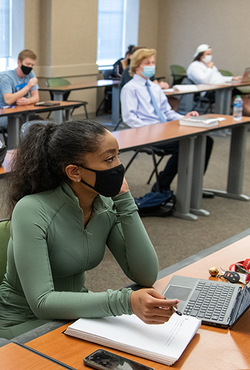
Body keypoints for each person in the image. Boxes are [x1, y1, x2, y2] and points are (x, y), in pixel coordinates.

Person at [0, 119, 179, 339]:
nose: (118, 167)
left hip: (75, 314)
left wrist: (125, 202)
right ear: (74, 172)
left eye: (118, 156)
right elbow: (42, 302)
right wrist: (126, 301)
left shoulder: (105, 204)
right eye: (109, 159)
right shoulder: (32, 209)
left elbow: (145, 274)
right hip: (23, 323)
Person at [121, 48, 213, 193]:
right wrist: (151, 129)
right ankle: (161, 186)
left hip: (164, 130)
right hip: (146, 134)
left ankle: (194, 185)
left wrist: (184, 117)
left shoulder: (155, 88)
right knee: (184, 144)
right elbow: (129, 118)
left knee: (206, 140)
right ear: (137, 66)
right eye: (147, 63)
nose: (151, 66)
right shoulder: (130, 88)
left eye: (153, 62)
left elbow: (167, 112)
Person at [187, 44, 250, 116]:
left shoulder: (210, 65)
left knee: (243, 97)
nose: (209, 56)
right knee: (239, 100)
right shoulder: (194, 66)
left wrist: (232, 78)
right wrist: (209, 68)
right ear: (200, 55)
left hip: (221, 88)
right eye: (207, 54)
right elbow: (204, 80)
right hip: (208, 92)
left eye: (210, 54)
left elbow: (219, 78)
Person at [0, 49, 40, 130]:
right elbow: (8, 100)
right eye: (27, 64)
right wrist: (27, 87)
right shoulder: (7, 77)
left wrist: (28, 101)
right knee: (23, 125)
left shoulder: (30, 74)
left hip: (22, 112)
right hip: (5, 114)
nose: (30, 67)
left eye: (32, 65)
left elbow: (36, 98)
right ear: (19, 62)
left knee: (40, 123)